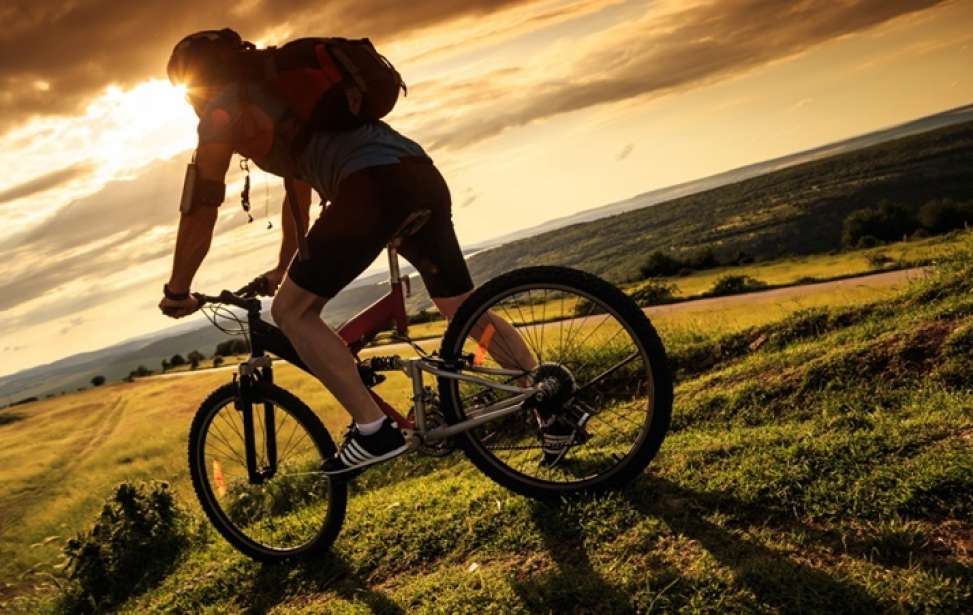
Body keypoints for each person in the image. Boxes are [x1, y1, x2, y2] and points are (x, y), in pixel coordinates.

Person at [158, 29, 537, 474]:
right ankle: (546, 396)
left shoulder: (223, 112)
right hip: (418, 175)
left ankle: (374, 432)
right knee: (460, 306)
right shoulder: (285, 95)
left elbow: (201, 206)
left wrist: (178, 288)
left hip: (369, 187)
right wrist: (284, 266)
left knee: (293, 314)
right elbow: (297, 194)